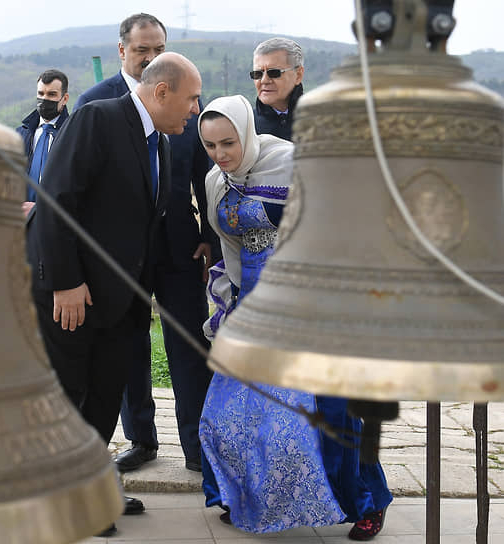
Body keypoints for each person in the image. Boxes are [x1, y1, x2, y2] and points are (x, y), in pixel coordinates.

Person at [33, 52, 202, 536]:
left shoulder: (162, 145)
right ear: (162, 91)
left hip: (124, 300)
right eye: (191, 99)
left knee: (106, 396)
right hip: (74, 294)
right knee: (71, 397)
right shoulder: (98, 117)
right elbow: (56, 199)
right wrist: (64, 281)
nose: (195, 109)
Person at [250, 37, 393, 541]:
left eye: (273, 72)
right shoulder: (249, 129)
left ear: (298, 73)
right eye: (257, 74)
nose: (264, 81)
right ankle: (274, 499)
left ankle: (369, 501)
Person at [197, 94, 345, 534]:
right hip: (252, 302)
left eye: (228, 143)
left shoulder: (292, 163)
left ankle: (364, 501)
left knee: (325, 412)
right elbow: (230, 243)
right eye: (210, 146)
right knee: (228, 412)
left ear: (245, 132)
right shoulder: (216, 181)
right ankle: (241, 494)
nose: (221, 154)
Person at [75, 13, 217, 474]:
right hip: (120, 257)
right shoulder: (95, 104)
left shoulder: (184, 103)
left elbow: (208, 175)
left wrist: (209, 238)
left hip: (179, 249)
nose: (151, 57)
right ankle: (140, 439)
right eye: (142, 50)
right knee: (128, 349)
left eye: (158, 48)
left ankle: (197, 447)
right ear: (122, 52)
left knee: (189, 347)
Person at [16, 69, 70, 330]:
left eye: (51, 95)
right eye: (40, 94)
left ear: (64, 98)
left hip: (55, 227)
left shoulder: (72, 136)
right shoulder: (23, 133)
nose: (44, 100)